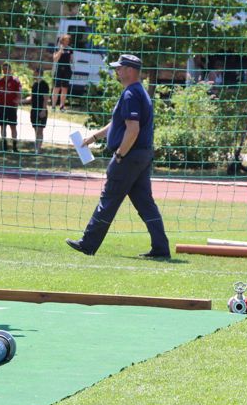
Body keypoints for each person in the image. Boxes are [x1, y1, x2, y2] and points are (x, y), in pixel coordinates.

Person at [66, 54, 170, 259]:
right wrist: (94, 137)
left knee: (109, 199)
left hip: (129, 157)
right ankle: (161, 248)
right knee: (145, 204)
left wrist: (120, 154)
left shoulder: (131, 94)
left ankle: (88, 244)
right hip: (141, 155)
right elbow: (118, 123)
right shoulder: (137, 91)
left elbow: (132, 129)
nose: (116, 71)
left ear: (130, 70)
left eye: (119, 68)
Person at [0, 63, 21, 152]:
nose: (5, 71)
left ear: (10, 70)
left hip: (11, 107)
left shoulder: (15, 81)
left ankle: (14, 146)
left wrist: (16, 103)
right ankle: (4, 145)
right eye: (4, 69)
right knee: (2, 126)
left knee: (13, 126)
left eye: (7, 69)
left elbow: (19, 94)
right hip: (1, 107)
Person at [28, 67, 50, 153]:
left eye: (34, 72)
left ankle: (38, 149)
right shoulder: (35, 84)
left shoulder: (44, 84)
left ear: (38, 73)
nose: (33, 74)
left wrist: (43, 110)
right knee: (36, 130)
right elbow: (32, 97)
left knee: (40, 130)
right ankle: (36, 148)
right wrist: (21, 101)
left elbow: (46, 98)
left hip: (41, 109)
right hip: (34, 110)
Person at [52, 34, 73, 110]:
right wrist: (60, 51)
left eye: (68, 40)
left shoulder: (70, 49)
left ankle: (62, 106)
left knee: (65, 88)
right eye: (65, 40)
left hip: (67, 69)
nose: (67, 42)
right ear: (62, 40)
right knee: (56, 87)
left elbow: (71, 60)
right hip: (59, 69)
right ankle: (53, 106)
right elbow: (55, 59)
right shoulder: (57, 48)